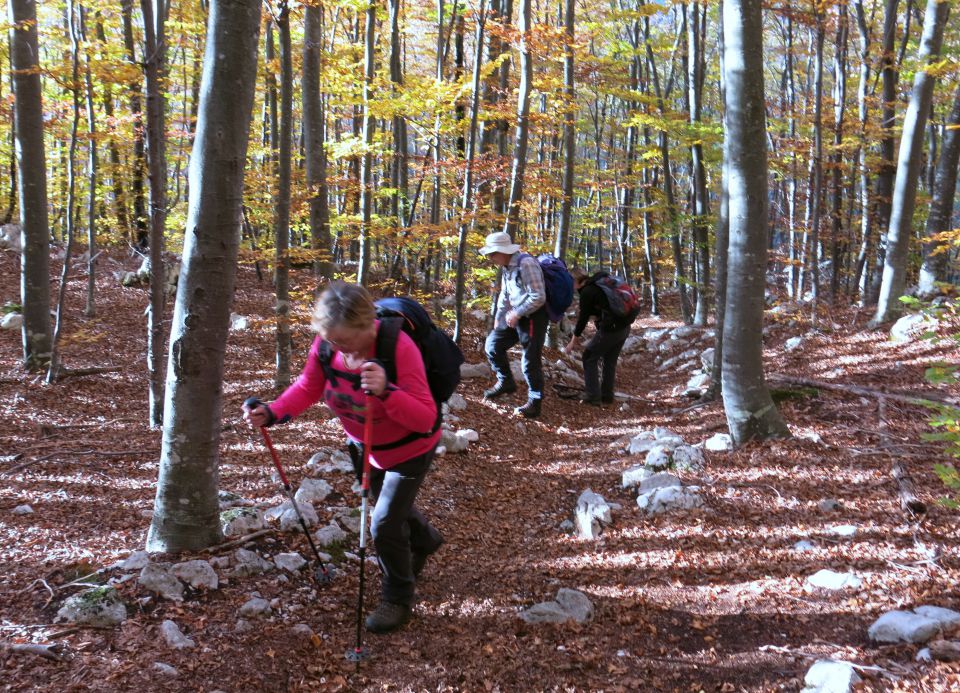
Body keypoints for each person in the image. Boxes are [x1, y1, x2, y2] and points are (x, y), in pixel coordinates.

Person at [243, 281, 444, 634]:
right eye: (332, 341)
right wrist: (273, 412)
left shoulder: (398, 348)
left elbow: (426, 417)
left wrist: (386, 391)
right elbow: (309, 385)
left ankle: (397, 596)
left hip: (411, 450)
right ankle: (425, 539)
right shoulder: (327, 345)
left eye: (345, 341)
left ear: (367, 326)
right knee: (391, 510)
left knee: (382, 524)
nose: (339, 348)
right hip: (364, 447)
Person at [479, 231, 548, 419]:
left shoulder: (526, 264)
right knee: (492, 345)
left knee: (530, 361)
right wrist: (499, 318)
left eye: (493, 254)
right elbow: (505, 295)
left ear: (503, 251)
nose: (490, 258)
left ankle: (535, 402)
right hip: (514, 315)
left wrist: (517, 313)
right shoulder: (506, 267)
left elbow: (539, 296)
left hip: (533, 316)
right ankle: (506, 381)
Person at [563, 268, 632, 406]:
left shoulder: (587, 292)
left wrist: (572, 342)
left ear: (576, 281)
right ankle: (607, 396)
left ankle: (593, 396)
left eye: (570, 282)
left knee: (589, 357)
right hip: (624, 326)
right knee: (609, 360)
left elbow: (582, 320)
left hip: (612, 329)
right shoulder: (597, 285)